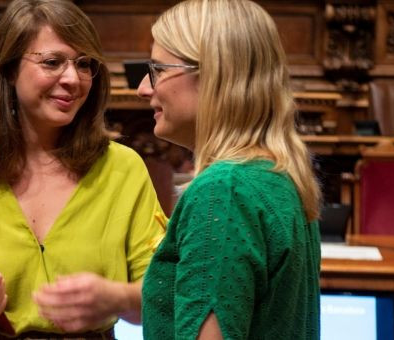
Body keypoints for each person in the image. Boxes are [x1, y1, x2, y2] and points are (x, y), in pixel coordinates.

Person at [0, 0, 166, 339]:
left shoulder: (123, 167)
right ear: (9, 69)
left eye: (84, 64)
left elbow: (160, 296)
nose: (72, 78)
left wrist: (114, 298)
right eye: (53, 62)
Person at [137, 0, 322, 339]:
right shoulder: (276, 175)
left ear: (211, 75)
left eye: (158, 70)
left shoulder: (223, 191)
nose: (144, 88)